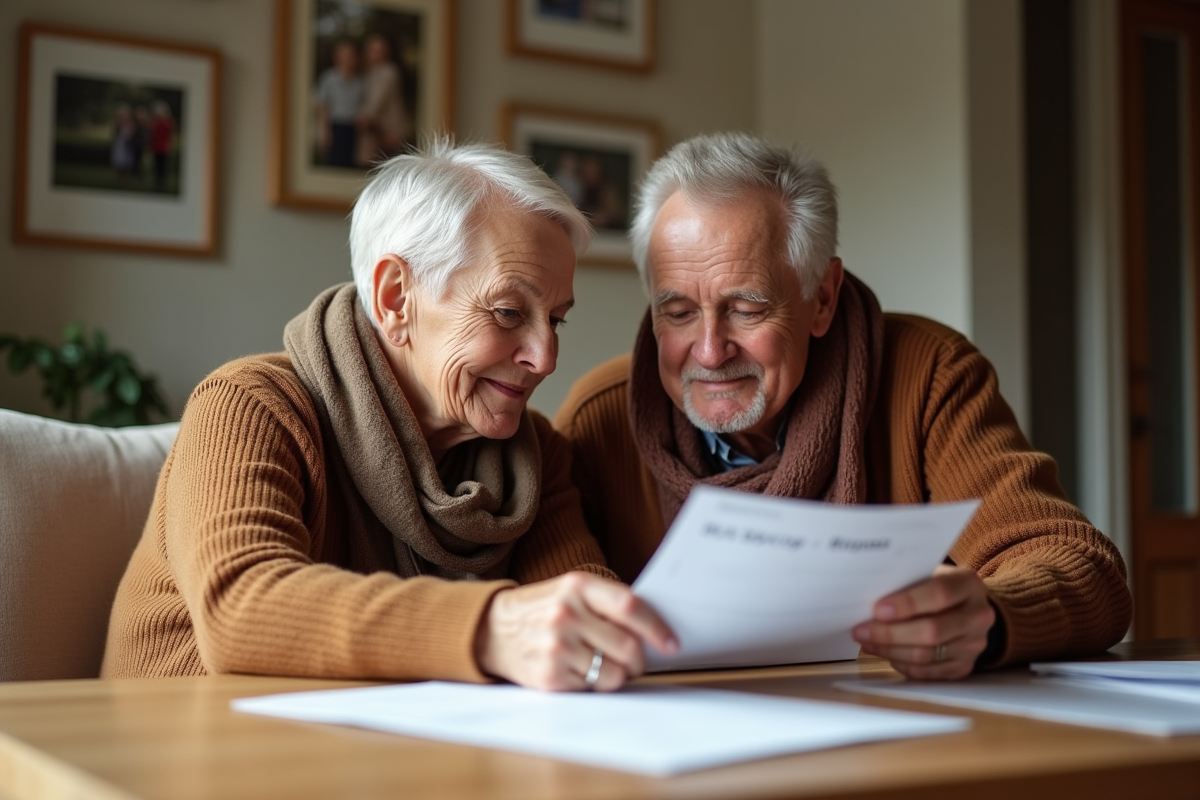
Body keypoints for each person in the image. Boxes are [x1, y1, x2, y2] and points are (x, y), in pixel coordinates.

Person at [554, 132, 1133, 681]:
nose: (709, 350)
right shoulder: (601, 416)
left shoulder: (928, 377)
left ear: (822, 298)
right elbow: (552, 603)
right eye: (677, 312)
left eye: (747, 308)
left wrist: (995, 615)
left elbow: (1086, 572)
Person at [102, 139, 677, 691]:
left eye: (555, 320)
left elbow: (577, 602)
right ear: (396, 298)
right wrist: (491, 628)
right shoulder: (252, 406)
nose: (545, 357)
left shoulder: (535, 456)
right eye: (507, 312)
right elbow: (240, 607)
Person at [355, 33, 408, 168]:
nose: (376, 54)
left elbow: (377, 100)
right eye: (373, 50)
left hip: (387, 131)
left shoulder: (389, 71)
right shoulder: (369, 73)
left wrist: (365, 118)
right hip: (375, 131)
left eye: (380, 50)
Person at [314, 39, 363, 169]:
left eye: (351, 55)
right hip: (335, 126)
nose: (349, 59)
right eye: (345, 55)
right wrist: (325, 130)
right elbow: (322, 106)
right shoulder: (328, 78)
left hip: (353, 129)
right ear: (337, 57)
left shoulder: (359, 81)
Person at [150, 100, 175, 191]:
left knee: (163, 167)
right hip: (157, 148)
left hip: (164, 149)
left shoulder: (167, 122)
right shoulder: (156, 122)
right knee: (157, 167)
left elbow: (169, 134)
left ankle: (163, 184)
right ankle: (157, 183)